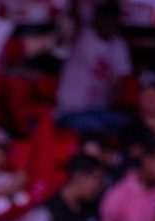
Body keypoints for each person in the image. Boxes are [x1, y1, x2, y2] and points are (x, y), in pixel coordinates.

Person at [54, 2, 132, 134]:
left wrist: (116, 101)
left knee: (129, 124)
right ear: (96, 18)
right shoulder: (83, 34)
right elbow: (74, 16)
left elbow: (121, 78)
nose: (108, 23)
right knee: (94, 129)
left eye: (112, 18)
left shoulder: (119, 44)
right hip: (72, 110)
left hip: (101, 110)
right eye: (105, 18)